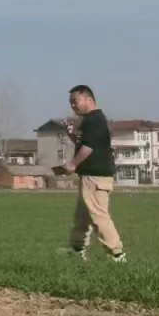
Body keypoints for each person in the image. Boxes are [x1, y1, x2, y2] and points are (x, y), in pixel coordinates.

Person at [55, 84, 126, 262]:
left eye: (75, 101)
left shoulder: (94, 119)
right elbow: (84, 142)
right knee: (82, 216)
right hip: (89, 175)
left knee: (98, 215)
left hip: (95, 176)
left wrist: (72, 163)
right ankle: (77, 250)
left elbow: (89, 147)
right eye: (70, 102)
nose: (72, 105)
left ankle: (117, 254)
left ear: (88, 99)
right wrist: (70, 134)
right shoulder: (91, 120)